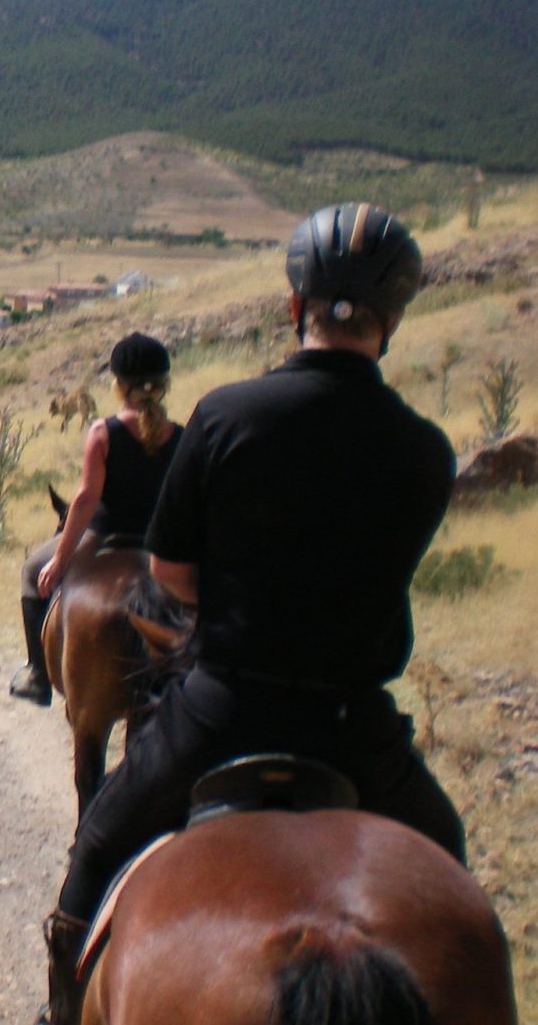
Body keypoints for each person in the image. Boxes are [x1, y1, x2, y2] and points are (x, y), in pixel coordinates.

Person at [39, 203, 466, 1025]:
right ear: (395, 320)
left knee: (94, 851)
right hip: (356, 727)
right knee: (448, 861)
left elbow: (169, 571)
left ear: (293, 306)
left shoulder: (226, 416)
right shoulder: (424, 448)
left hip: (225, 708)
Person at [9, 333, 181, 706]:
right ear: (164, 386)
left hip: (103, 537)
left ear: (119, 386)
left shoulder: (103, 431)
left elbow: (86, 500)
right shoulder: (180, 435)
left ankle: (38, 674)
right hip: (158, 543)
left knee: (29, 570)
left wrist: (59, 560)